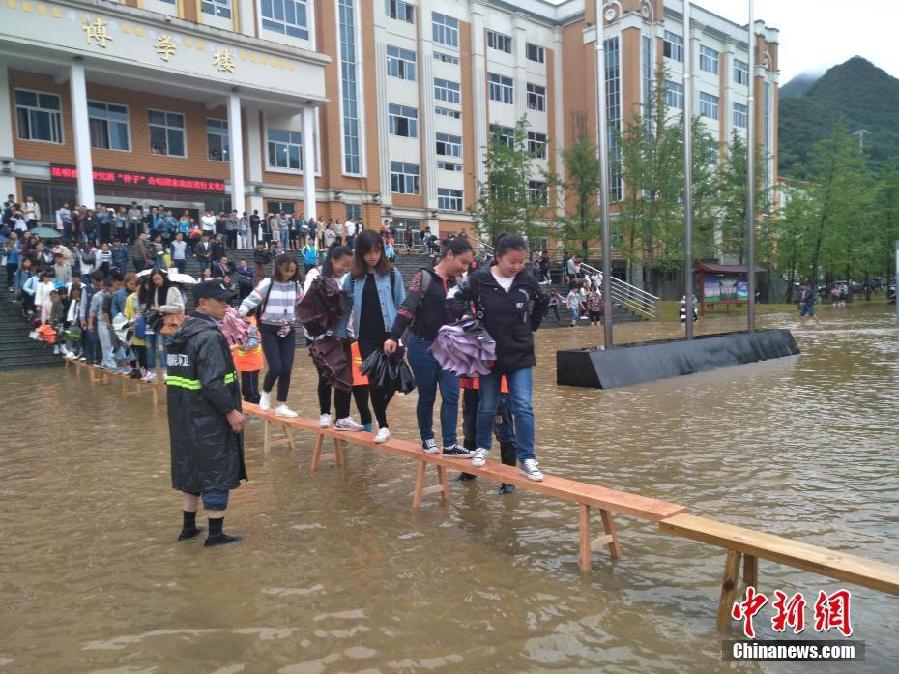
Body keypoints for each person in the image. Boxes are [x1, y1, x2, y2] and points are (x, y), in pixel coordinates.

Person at [448, 234, 548, 481]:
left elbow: (544, 301)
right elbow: (454, 300)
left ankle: (527, 458)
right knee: (487, 405)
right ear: (498, 257)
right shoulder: (480, 280)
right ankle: (482, 447)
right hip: (488, 356)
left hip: (520, 354)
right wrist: (473, 330)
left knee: (523, 406)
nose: (517, 267)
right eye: (512, 261)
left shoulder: (526, 280)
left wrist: (529, 328)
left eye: (522, 262)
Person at [166, 278, 247, 547]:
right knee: (216, 471)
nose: (227, 306)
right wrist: (232, 412)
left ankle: (188, 528)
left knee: (191, 468)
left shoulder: (181, 334)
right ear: (203, 303)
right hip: (208, 417)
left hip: (182, 417)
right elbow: (213, 383)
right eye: (221, 301)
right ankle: (215, 535)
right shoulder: (210, 336)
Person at [385, 237, 474, 457]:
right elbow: (407, 309)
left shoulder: (459, 284)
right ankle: (427, 439)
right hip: (422, 345)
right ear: (450, 254)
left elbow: (466, 314)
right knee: (427, 395)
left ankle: (450, 444)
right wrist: (393, 336)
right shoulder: (423, 278)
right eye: (463, 262)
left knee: (452, 394)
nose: (464, 268)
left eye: (467, 266)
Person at [335, 230, 405, 444]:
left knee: (393, 382)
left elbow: (403, 306)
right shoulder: (353, 280)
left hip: (390, 335)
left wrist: (400, 336)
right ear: (361, 254)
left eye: (377, 251)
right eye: (368, 252)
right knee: (374, 383)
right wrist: (339, 335)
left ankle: (380, 412)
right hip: (366, 337)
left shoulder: (393, 275)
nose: (373, 256)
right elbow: (345, 308)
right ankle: (383, 425)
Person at [303, 245, 372, 431]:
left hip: (342, 334)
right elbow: (312, 302)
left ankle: (342, 417)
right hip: (319, 335)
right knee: (326, 374)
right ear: (333, 260)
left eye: (349, 266)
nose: (346, 269)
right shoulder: (315, 275)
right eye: (343, 264)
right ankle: (325, 412)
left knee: (345, 375)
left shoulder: (348, 279)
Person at [238, 253, 303, 418]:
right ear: (279, 267)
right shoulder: (268, 283)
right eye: (286, 270)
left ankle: (282, 404)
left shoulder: (296, 286)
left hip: (288, 329)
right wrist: (243, 310)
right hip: (269, 329)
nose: (289, 274)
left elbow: (304, 304)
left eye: (292, 271)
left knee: (286, 369)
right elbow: (252, 299)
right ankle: (266, 393)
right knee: (276, 367)